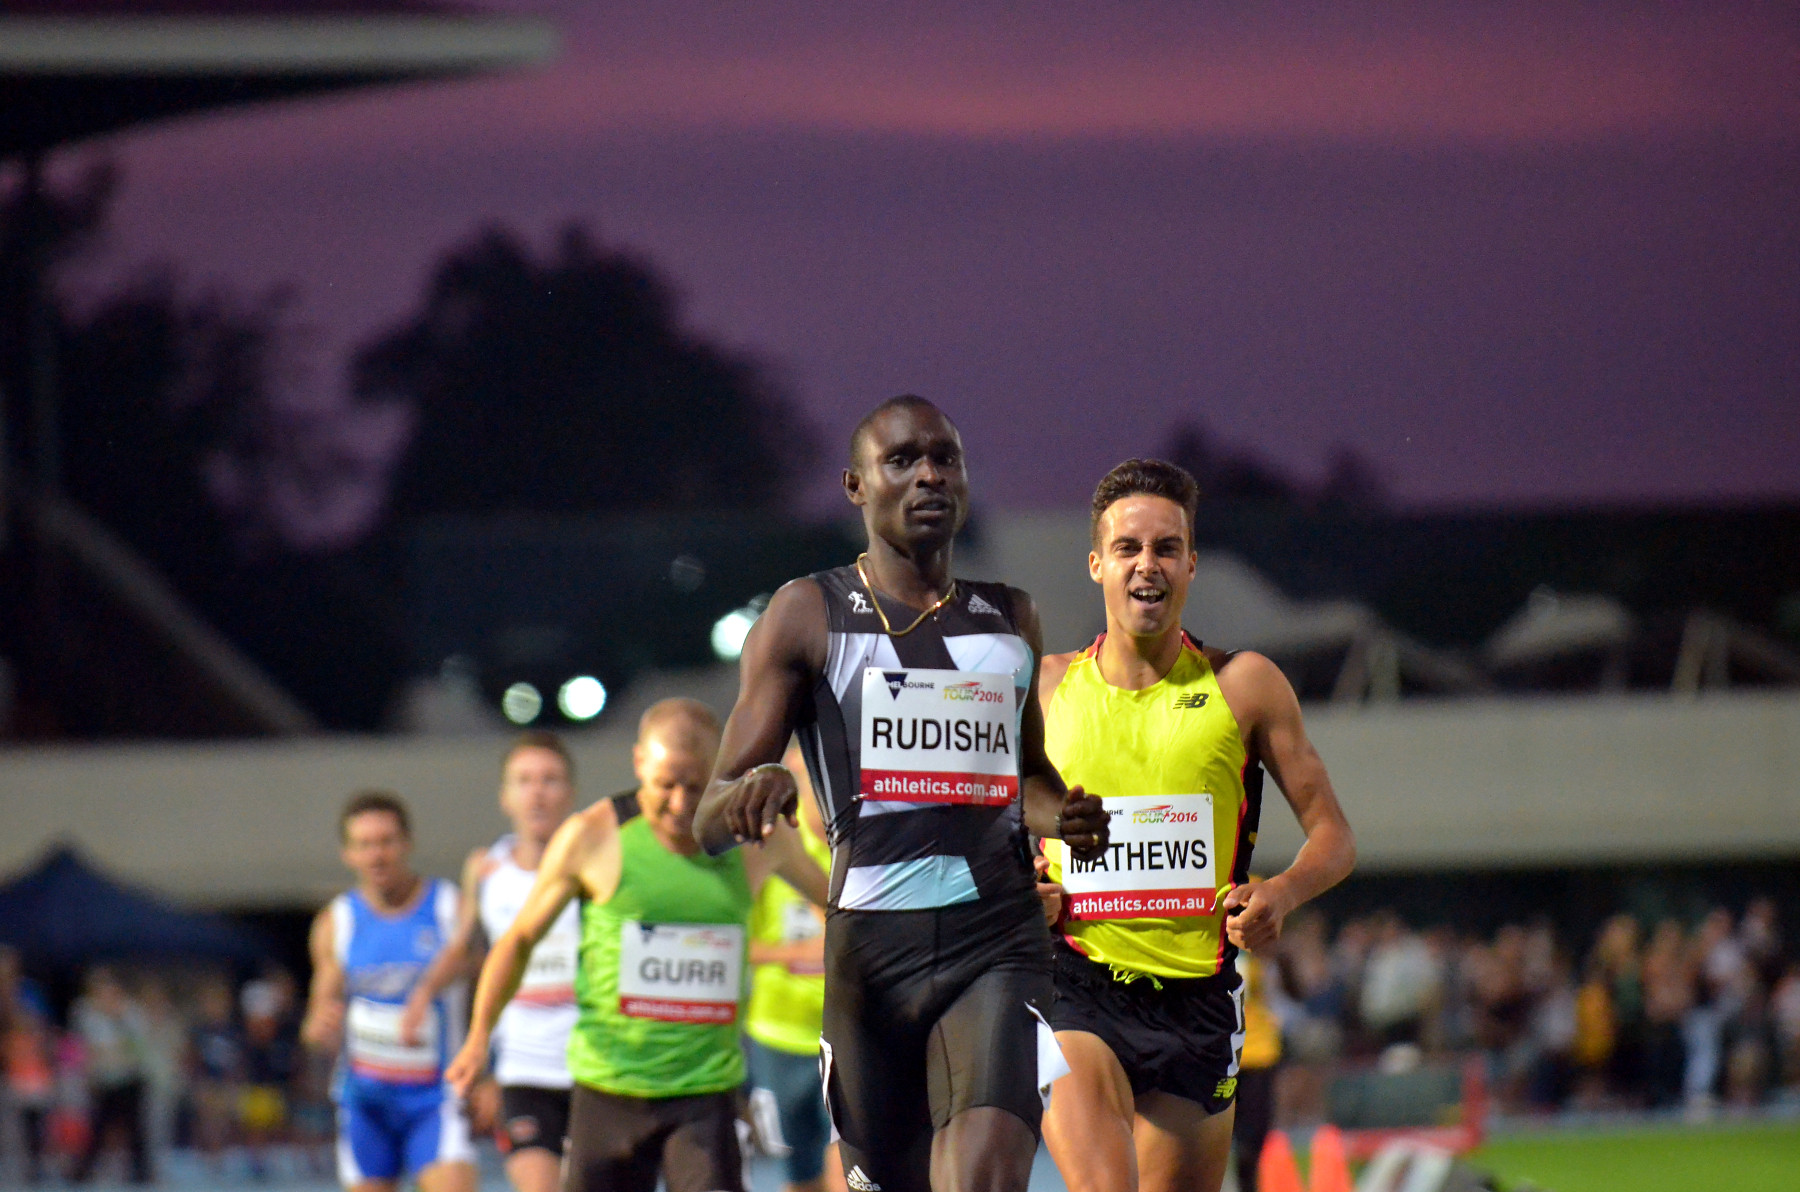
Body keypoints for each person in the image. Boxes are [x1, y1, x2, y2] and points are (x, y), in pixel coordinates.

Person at [694, 395, 1111, 1192]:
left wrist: (1067, 816)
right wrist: (754, 787)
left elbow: (1023, 779)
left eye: (945, 459)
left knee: (982, 1175)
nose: (929, 476)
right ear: (856, 486)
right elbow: (708, 817)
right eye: (902, 460)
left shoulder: (1009, 618)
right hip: (871, 957)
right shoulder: (806, 614)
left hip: (998, 938)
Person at [1036, 458, 1356, 1192]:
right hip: (1075, 983)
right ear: (1097, 564)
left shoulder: (1245, 685)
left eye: (1166, 548)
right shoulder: (1047, 688)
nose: (1146, 564)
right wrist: (1018, 882)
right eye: (1127, 548)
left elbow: (1334, 837)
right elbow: (985, 823)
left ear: (1191, 565)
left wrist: (1280, 892)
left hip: (1198, 1000)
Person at [446, 699, 828, 1192]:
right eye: (665, 785)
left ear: (720, 768)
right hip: (608, 1094)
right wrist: (479, 1035)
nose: (679, 804)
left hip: (706, 1097)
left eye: (695, 786)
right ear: (639, 763)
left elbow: (839, 907)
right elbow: (519, 939)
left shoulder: (753, 838)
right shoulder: (593, 837)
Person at [402, 730, 582, 1192]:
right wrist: (423, 994)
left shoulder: (596, 867)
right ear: (505, 796)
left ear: (570, 792)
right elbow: (466, 954)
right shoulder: (487, 871)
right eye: (524, 780)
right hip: (522, 1072)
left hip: (596, 1068)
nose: (537, 792)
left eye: (550, 779)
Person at [301, 791, 477, 1192]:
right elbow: (318, 1011)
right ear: (348, 854)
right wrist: (317, 1027)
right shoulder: (337, 923)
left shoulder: (449, 907)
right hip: (366, 1104)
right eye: (364, 845)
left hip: (435, 1099)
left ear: (407, 844)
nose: (377, 856)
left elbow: (486, 977)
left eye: (386, 842)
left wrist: (486, 1071)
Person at [744, 745, 845, 1192]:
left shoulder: (860, 855)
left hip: (845, 1038)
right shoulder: (773, 853)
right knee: (800, 1178)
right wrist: (799, 953)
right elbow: (735, 944)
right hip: (779, 1039)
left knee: (849, 1170)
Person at [69, 967, 152, 1185]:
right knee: (99, 1126)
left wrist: (119, 1021)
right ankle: (83, 1172)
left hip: (130, 1078)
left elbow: (137, 1047)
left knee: (136, 1127)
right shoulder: (86, 1013)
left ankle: (141, 1172)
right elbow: (91, 1049)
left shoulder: (131, 1012)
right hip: (104, 1080)